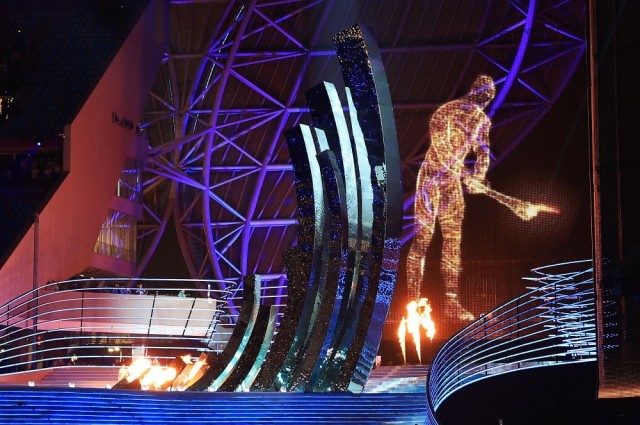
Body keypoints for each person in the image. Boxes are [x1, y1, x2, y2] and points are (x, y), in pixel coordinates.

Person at [406, 74, 496, 322]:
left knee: (453, 241)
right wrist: (466, 174)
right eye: (481, 99)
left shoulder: (482, 120)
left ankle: (452, 302)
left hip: (451, 185)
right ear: (474, 93)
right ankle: (412, 300)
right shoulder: (445, 112)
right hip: (431, 179)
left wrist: (479, 176)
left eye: (486, 102)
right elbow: (441, 148)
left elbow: (483, 152)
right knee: (423, 237)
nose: (482, 106)